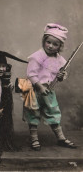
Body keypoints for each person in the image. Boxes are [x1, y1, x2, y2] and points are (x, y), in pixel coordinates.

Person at [23, 23, 77, 151]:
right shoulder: (37, 57)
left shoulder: (59, 60)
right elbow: (31, 74)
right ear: (44, 41)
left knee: (53, 112)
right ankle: (34, 138)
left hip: (48, 90)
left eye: (55, 44)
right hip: (33, 89)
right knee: (33, 113)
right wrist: (39, 86)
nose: (51, 46)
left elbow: (61, 77)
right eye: (48, 42)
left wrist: (61, 76)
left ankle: (61, 138)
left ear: (60, 47)